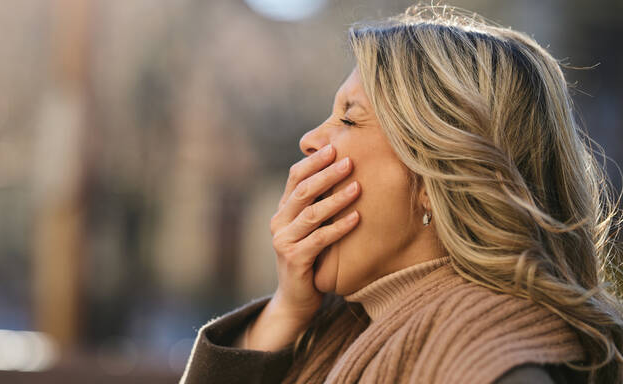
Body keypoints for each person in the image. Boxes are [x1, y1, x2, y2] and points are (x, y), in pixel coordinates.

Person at [180, 4, 623, 384]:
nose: (310, 139)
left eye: (350, 120)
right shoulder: (343, 323)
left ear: (437, 177)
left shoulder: (494, 364)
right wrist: (285, 311)